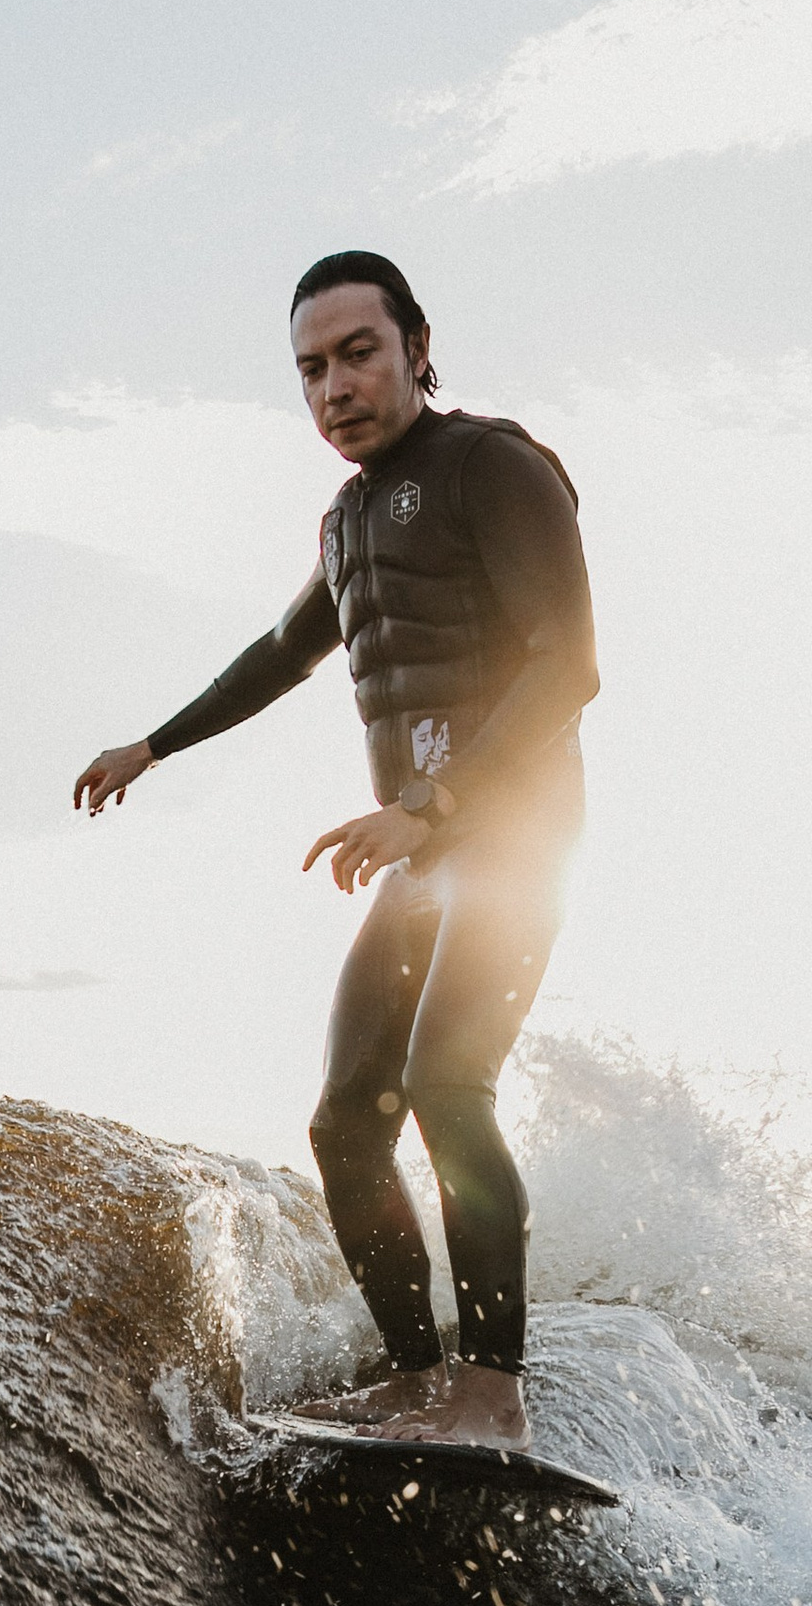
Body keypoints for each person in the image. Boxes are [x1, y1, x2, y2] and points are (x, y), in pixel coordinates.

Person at [74, 251, 597, 1449]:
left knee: (446, 1087)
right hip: (424, 857)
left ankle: (492, 1391)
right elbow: (281, 650)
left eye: (358, 353)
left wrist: (434, 805)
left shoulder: (493, 466)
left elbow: (566, 661)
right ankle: (417, 1377)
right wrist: (155, 745)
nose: (334, 387)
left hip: (513, 840)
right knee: (344, 1123)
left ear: (417, 345)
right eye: (310, 368)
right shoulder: (350, 518)